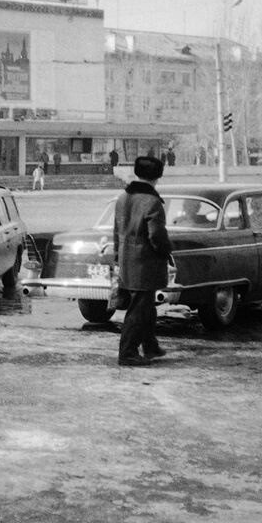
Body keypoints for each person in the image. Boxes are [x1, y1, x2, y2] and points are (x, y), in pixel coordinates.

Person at [114, 155, 172, 367]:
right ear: (157, 177)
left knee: (146, 306)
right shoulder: (152, 202)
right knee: (139, 309)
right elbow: (156, 236)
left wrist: (117, 258)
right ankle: (127, 353)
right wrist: (166, 251)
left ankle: (150, 345)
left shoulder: (122, 198)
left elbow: (116, 232)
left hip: (126, 261)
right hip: (145, 263)